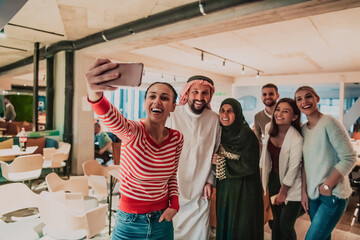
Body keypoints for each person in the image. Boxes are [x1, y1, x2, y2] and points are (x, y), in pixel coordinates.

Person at [86, 58, 184, 240]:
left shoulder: (177, 139)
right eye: (152, 96)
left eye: (164, 98)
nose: (157, 101)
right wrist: (94, 93)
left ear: (173, 106)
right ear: (145, 102)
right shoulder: (133, 131)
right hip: (130, 222)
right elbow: (108, 115)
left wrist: (174, 206)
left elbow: (172, 176)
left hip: (162, 222)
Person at [295, 86, 356, 240]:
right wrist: (304, 192)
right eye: (299, 99)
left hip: (333, 194)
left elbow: (349, 157)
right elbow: (305, 164)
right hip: (313, 195)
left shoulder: (329, 122)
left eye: (308, 96)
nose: (304, 101)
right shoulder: (303, 130)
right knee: (323, 237)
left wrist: (328, 185)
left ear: (317, 99)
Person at [166, 75, 221, 240]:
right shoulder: (173, 115)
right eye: (195, 92)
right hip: (173, 188)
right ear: (187, 93)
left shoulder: (214, 120)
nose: (199, 97)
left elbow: (216, 153)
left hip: (200, 192)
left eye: (205, 93)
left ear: (210, 96)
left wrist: (211, 180)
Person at [212, 98, 263, 240]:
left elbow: (249, 165)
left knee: (242, 225)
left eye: (230, 111)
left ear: (238, 113)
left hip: (244, 190)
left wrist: (221, 161)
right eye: (222, 110)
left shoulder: (247, 135)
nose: (225, 114)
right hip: (225, 187)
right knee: (225, 220)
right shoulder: (219, 133)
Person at [260, 98, 303, 240]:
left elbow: (294, 168)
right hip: (273, 180)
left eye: (286, 111)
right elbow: (264, 158)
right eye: (278, 109)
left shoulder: (296, 138)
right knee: (275, 222)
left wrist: (283, 192)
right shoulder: (268, 128)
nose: (279, 114)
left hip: (292, 185)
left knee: (286, 225)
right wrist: (261, 183)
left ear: (294, 117)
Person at [254, 83, 279, 225]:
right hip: (267, 164)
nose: (268, 97)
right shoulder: (258, 117)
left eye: (271, 94)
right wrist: (259, 165)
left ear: (277, 96)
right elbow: (257, 141)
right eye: (264, 94)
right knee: (270, 201)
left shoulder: (285, 112)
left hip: (286, 163)